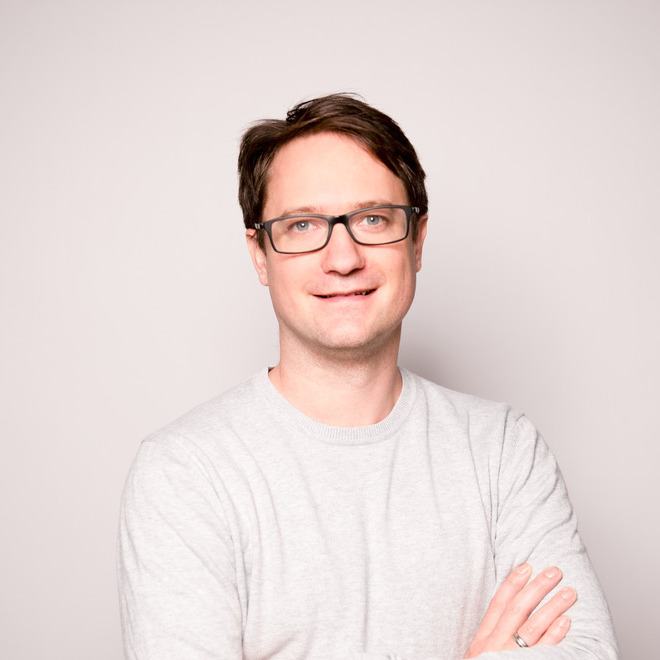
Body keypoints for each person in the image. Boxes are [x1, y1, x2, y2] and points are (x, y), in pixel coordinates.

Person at [118, 94, 618, 659]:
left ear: (417, 240)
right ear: (260, 254)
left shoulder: (503, 449)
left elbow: (588, 650)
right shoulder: (185, 473)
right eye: (302, 225)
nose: (343, 258)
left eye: (373, 219)